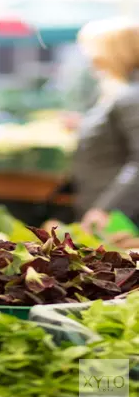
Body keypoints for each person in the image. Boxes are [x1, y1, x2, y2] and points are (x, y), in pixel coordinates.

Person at [74, 19, 139, 249]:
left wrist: (107, 208)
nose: (91, 59)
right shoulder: (123, 92)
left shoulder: (131, 96)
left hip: (123, 217)